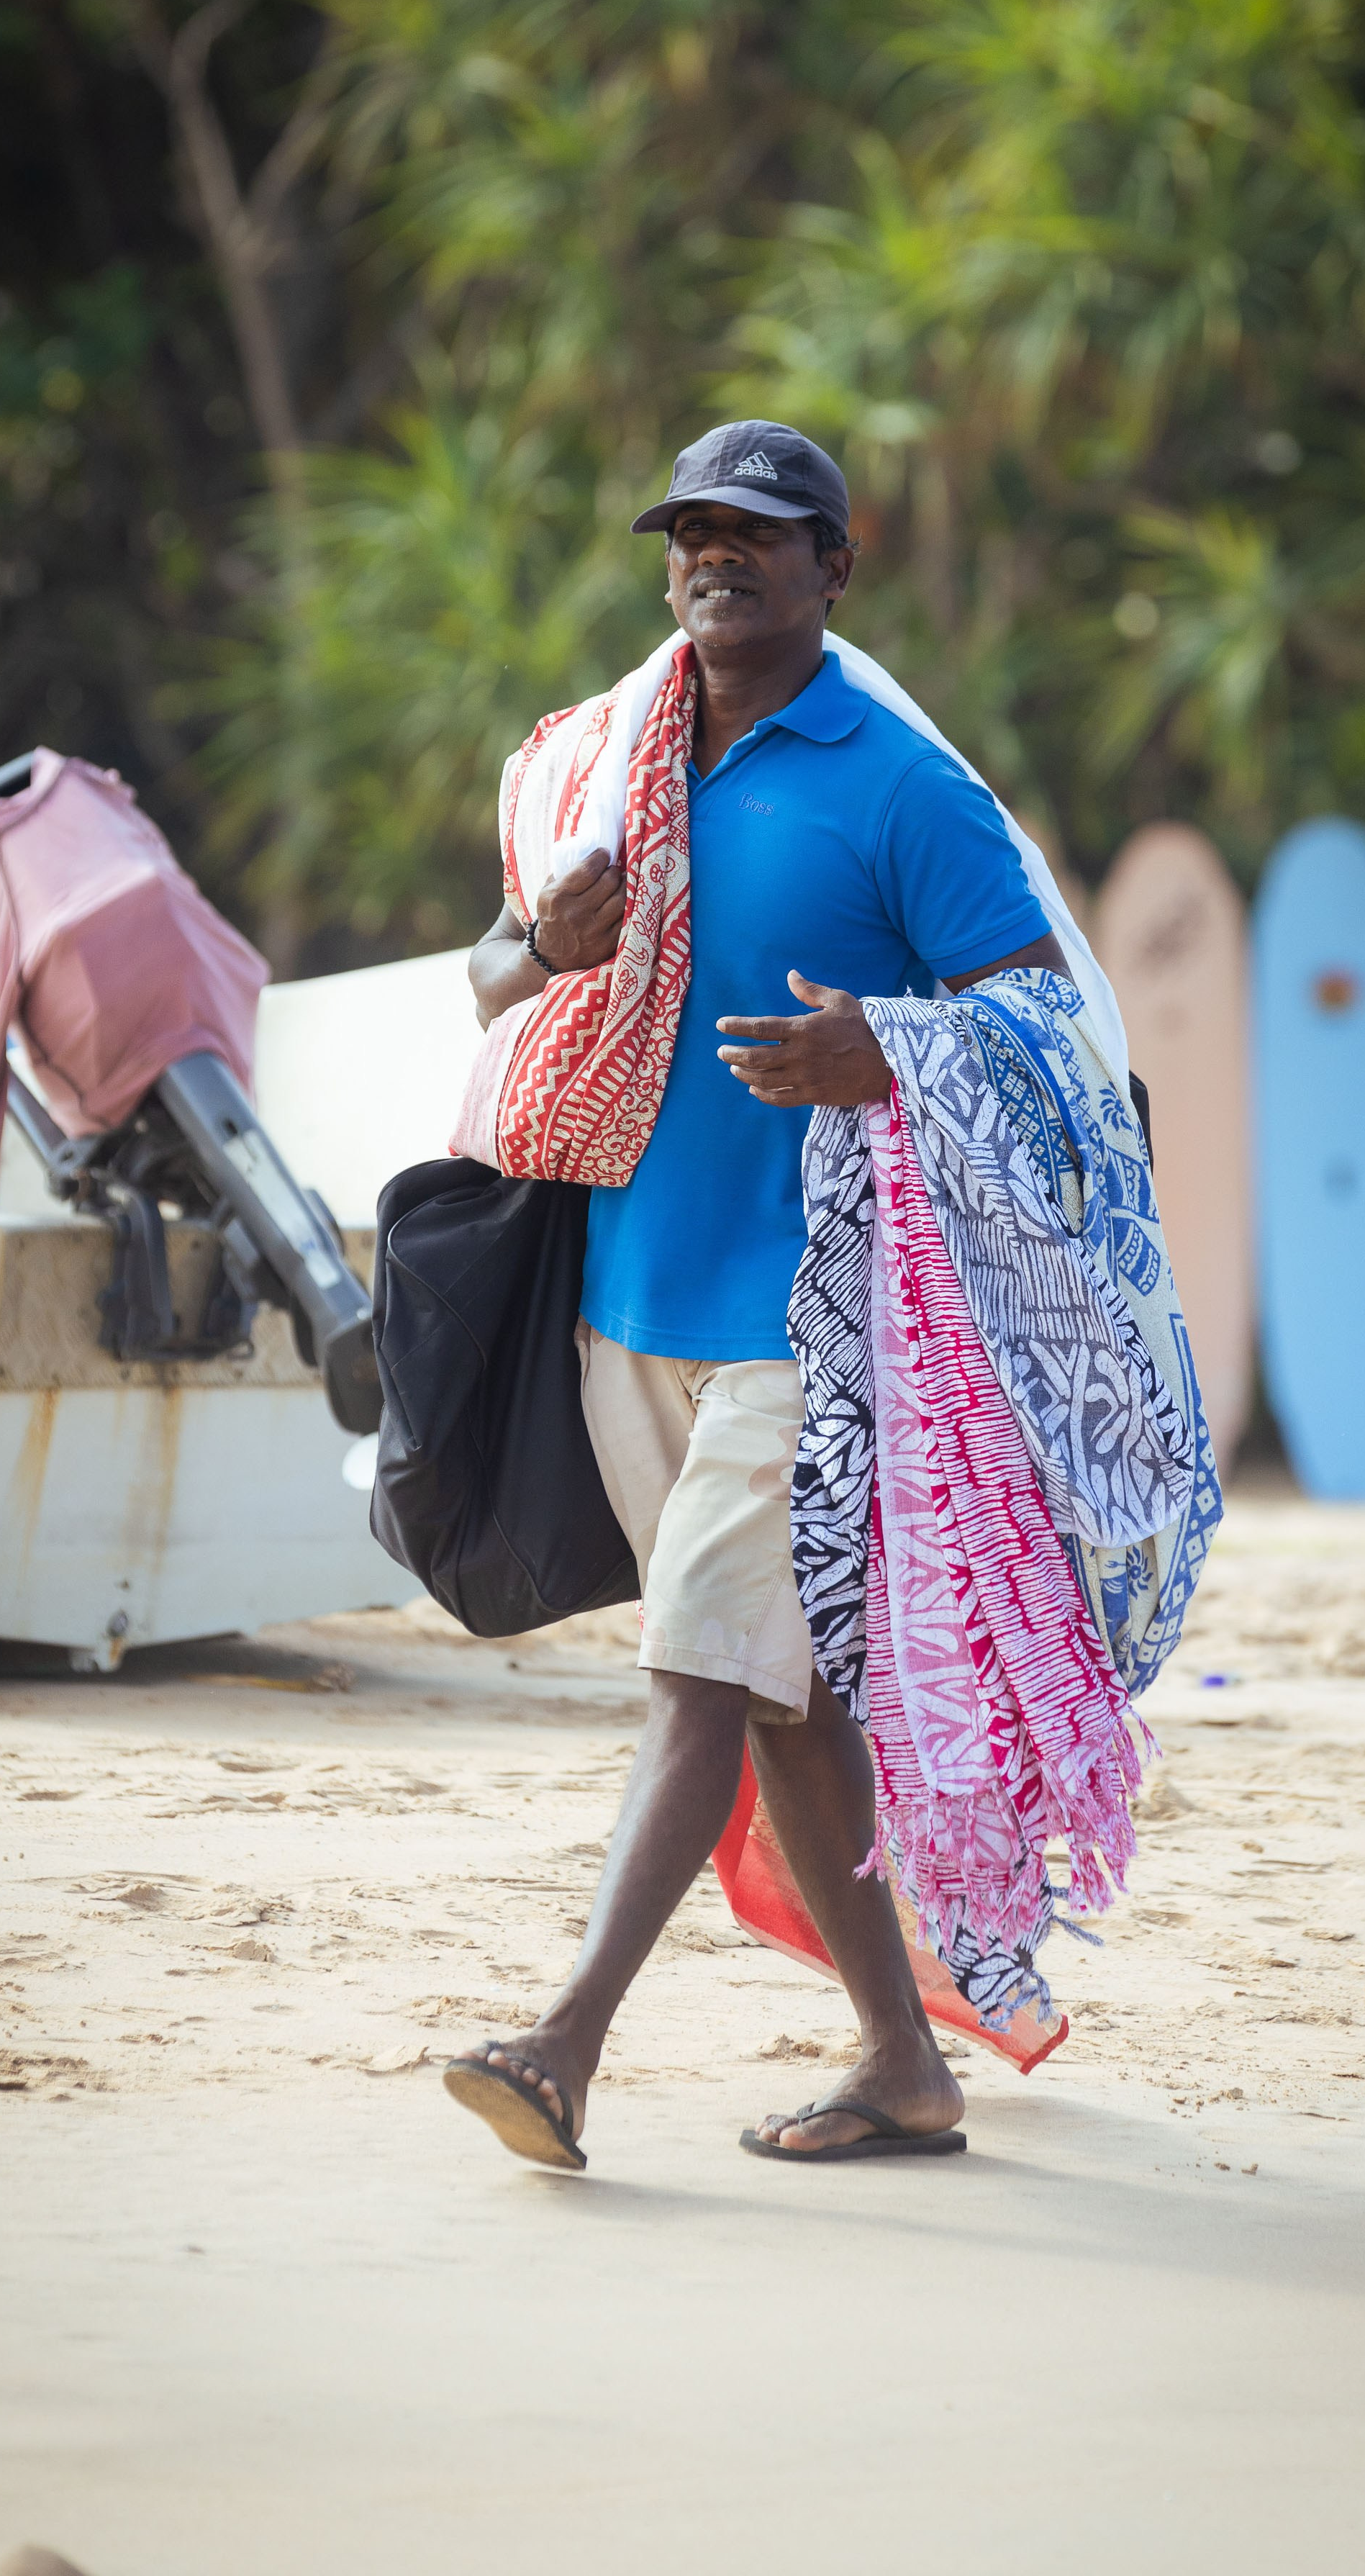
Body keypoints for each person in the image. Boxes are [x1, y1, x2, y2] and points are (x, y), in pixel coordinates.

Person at [450, 420, 1072, 2166]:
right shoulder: (601, 765)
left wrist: (886, 1047)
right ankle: (902, 2061)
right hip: (625, 1304)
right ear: (665, 564)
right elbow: (485, 977)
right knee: (773, 1693)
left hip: (815, 1324)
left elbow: (1041, 1029)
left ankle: (561, 2045)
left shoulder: (896, 784)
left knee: (698, 1677)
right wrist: (541, 947)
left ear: (831, 570)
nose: (716, 554)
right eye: (692, 531)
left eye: (759, 532)